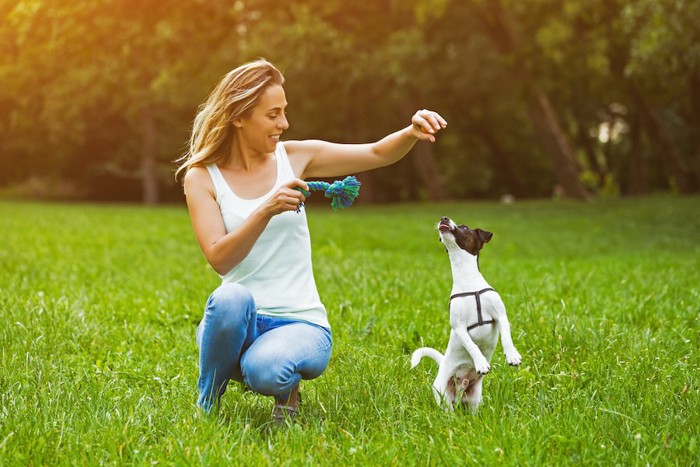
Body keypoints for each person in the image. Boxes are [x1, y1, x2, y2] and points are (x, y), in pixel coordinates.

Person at [176, 58, 447, 422]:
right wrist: (265, 210)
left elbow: (376, 153)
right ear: (239, 117)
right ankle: (207, 405)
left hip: (300, 325)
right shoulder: (202, 177)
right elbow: (220, 259)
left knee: (265, 371)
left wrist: (410, 132)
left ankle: (284, 392)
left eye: (284, 112)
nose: (283, 124)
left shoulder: (296, 157)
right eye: (272, 115)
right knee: (229, 297)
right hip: (241, 321)